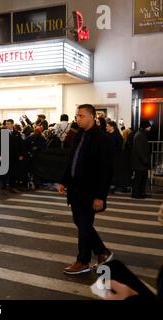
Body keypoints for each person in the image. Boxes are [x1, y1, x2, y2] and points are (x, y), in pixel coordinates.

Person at [59, 104, 114, 275]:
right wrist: (64, 181)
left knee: (84, 225)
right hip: (75, 189)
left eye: (81, 116)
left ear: (92, 117)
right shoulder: (78, 135)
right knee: (80, 223)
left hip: (90, 192)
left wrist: (100, 196)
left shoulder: (102, 139)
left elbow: (106, 171)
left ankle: (83, 261)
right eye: (77, 116)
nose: (78, 119)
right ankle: (102, 252)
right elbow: (72, 161)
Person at [131, 120, 152, 199]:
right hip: (140, 163)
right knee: (139, 179)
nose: (150, 128)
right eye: (149, 127)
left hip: (141, 162)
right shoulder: (140, 135)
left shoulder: (141, 134)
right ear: (145, 127)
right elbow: (139, 150)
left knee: (143, 178)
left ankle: (141, 193)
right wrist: (145, 160)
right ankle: (136, 194)